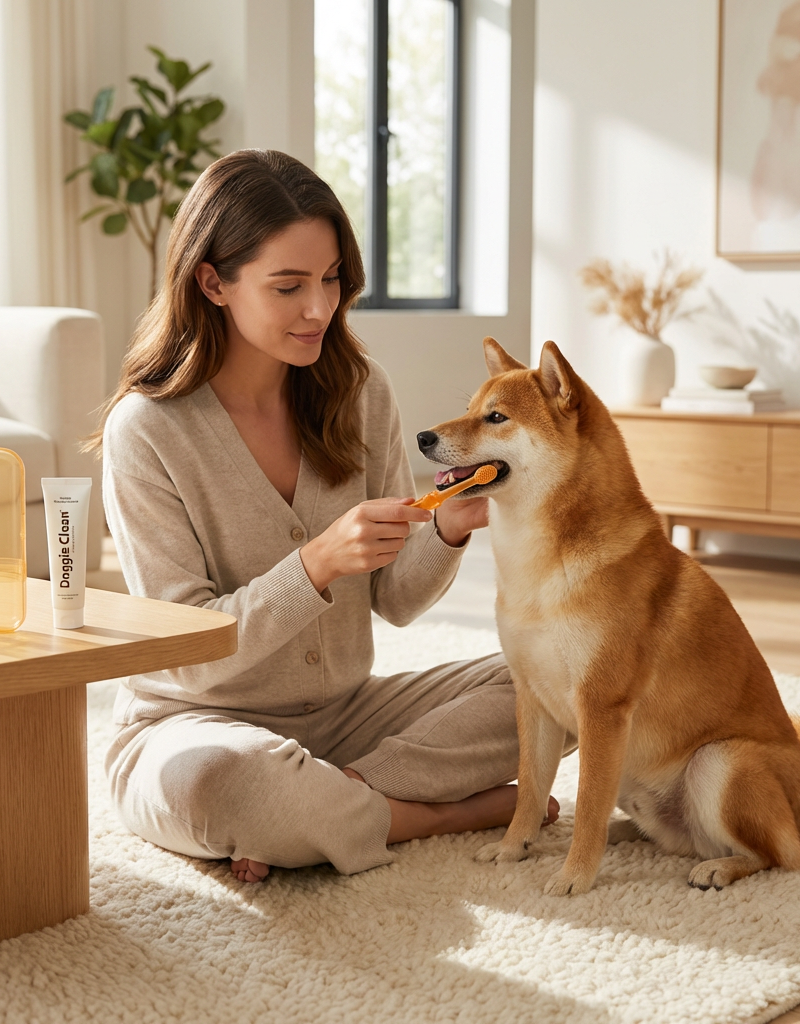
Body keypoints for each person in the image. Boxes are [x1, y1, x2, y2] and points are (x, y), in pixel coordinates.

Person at [92, 149, 558, 884]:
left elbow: (396, 602)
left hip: (345, 719)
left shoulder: (358, 392)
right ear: (213, 281)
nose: (321, 308)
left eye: (333, 278)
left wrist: (446, 528)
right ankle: (431, 812)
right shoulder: (147, 431)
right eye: (289, 286)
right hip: (191, 726)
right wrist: (313, 565)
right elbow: (180, 654)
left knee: (553, 680)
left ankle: (325, 807)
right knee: (220, 782)